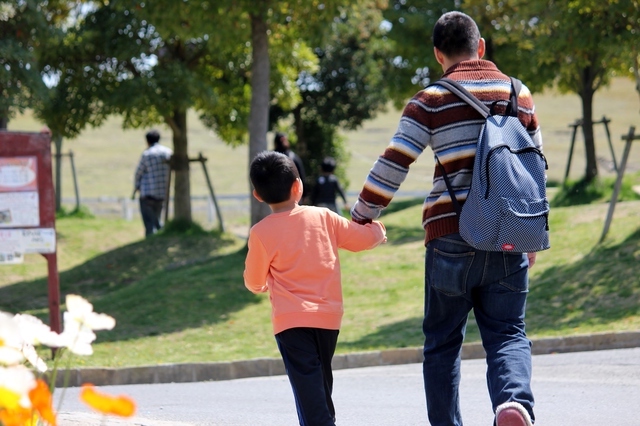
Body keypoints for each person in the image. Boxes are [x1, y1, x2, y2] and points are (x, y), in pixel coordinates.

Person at [350, 11, 542, 426]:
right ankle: (513, 404)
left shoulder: (430, 99)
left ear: (439, 55)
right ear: (482, 47)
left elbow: (396, 160)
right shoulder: (518, 92)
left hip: (450, 234)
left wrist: (363, 213)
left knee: (441, 343)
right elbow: (534, 168)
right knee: (508, 332)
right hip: (508, 232)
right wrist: (532, 234)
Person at [244, 151, 386, 426]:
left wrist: (262, 285)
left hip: (291, 321)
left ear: (257, 195)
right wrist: (378, 230)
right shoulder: (323, 216)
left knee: (309, 389)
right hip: (329, 318)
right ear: (298, 186)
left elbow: (253, 280)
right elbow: (360, 239)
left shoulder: (261, 232)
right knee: (319, 386)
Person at [133, 130, 172, 237]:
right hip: (162, 192)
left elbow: (139, 172)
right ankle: (160, 237)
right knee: (157, 218)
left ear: (147, 141)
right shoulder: (168, 152)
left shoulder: (147, 154)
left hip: (147, 193)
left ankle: (150, 241)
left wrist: (136, 186)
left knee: (149, 222)